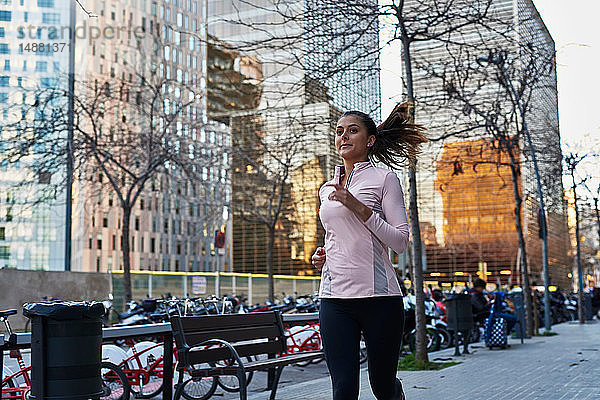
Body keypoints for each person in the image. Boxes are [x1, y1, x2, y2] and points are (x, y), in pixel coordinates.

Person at [311, 105, 426, 400]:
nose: (344, 137)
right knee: (344, 389)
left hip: (380, 299)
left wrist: (358, 207)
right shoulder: (327, 188)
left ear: (370, 140)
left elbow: (400, 241)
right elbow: (336, 236)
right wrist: (321, 255)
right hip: (334, 298)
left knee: (383, 386)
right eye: (339, 131)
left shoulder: (384, 179)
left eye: (353, 130)